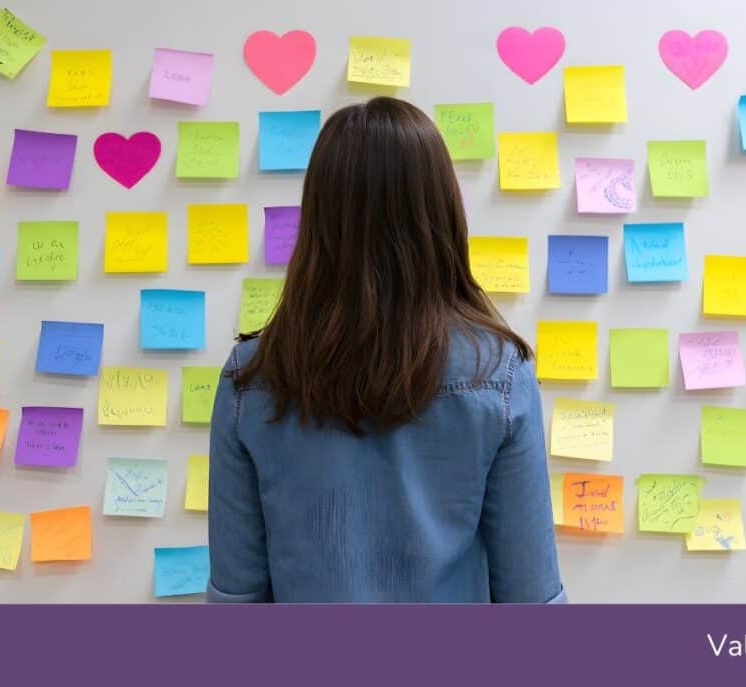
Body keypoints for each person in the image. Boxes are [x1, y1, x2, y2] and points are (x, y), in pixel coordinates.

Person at [207, 96, 564, 603]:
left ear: (318, 219)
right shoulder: (500, 375)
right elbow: (533, 600)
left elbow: (235, 603)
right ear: (441, 213)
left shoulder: (250, 377)